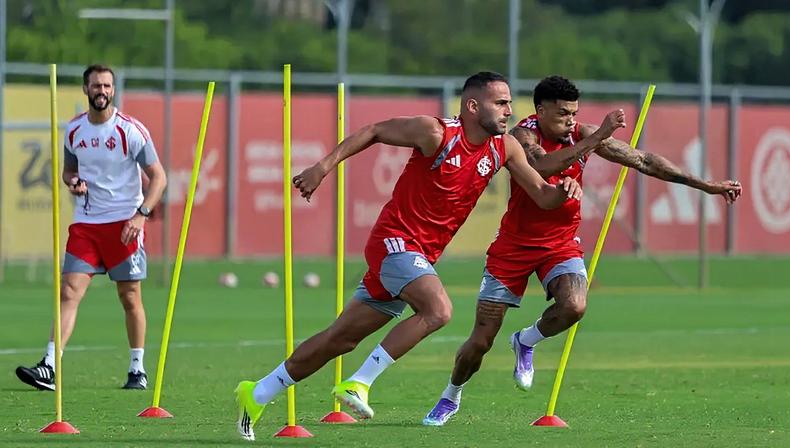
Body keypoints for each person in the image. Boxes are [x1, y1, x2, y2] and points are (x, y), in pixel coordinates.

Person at [233, 71, 626, 441]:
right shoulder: (435, 131)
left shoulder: (503, 147)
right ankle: (359, 383)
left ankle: (258, 391)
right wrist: (323, 166)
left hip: (422, 254)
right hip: (394, 241)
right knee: (438, 310)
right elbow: (374, 130)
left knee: (341, 338)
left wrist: (564, 193)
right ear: (473, 106)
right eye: (501, 103)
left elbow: (542, 194)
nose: (509, 111)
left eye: (509, 103)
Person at [422, 75, 743, 426]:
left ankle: (525, 341)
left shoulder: (582, 134)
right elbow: (543, 167)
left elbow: (644, 160)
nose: (571, 121)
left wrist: (706, 186)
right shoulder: (522, 136)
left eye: (574, 114)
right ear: (540, 111)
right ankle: (450, 396)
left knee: (575, 305)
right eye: (562, 114)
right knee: (481, 340)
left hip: (560, 244)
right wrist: (599, 136)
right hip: (512, 247)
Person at [14, 64, 167, 391]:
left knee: (129, 297)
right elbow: (68, 172)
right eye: (96, 85)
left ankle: (137, 369)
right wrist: (74, 182)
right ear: (86, 89)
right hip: (86, 224)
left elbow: (159, 178)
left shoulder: (131, 130)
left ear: (114, 90)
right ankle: (49, 365)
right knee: (68, 290)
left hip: (125, 225)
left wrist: (141, 215)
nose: (102, 91)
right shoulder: (74, 131)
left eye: (107, 86)